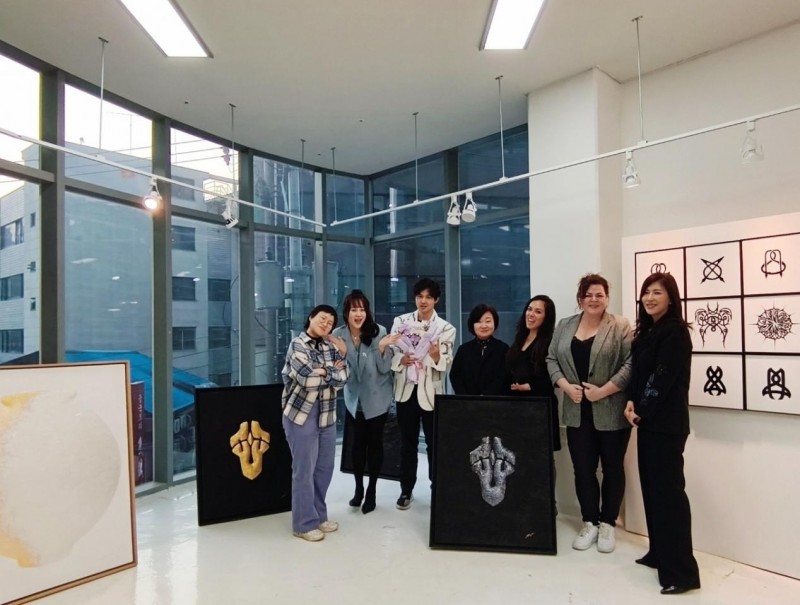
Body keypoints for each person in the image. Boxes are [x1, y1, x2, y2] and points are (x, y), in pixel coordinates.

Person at [625, 272, 701, 595]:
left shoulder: (675, 332)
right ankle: (659, 553)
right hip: (648, 423)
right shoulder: (648, 332)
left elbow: (662, 377)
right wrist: (632, 401)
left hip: (667, 425)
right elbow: (639, 375)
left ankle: (682, 573)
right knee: (652, 491)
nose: (650, 298)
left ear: (671, 298)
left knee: (669, 496)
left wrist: (641, 409)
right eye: (646, 292)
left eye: (657, 292)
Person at [546, 273, 632, 553]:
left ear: (607, 298)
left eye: (599, 295)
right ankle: (590, 521)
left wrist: (603, 391)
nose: (594, 300)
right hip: (575, 410)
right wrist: (565, 386)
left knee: (612, 468)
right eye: (588, 295)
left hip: (611, 409)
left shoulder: (620, 326)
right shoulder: (565, 325)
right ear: (580, 298)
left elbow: (631, 364)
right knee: (582, 468)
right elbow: (551, 359)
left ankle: (608, 523)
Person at [281, 304, 348, 542]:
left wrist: (322, 370)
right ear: (311, 317)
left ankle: (319, 516)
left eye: (330, 322)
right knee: (304, 471)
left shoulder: (331, 346)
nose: (326, 324)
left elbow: (343, 378)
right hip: (301, 415)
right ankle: (303, 523)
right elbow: (306, 380)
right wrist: (331, 370)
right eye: (322, 318)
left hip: (326, 415)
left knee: (323, 470)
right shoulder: (297, 344)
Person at [390, 277, 456, 510]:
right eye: (420, 296)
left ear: (436, 299)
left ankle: (437, 488)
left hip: (431, 394)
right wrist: (401, 360)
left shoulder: (446, 328)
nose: (424, 301)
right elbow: (391, 353)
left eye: (429, 297)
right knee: (406, 443)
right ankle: (406, 489)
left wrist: (436, 356)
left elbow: (446, 362)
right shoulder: (401, 322)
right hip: (406, 391)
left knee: (434, 444)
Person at [332, 290, 400, 514]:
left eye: (362, 309)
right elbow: (343, 372)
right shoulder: (338, 335)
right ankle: (358, 488)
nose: (358, 314)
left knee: (375, 445)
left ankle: (371, 491)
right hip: (354, 399)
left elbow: (384, 368)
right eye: (354, 309)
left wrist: (381, 349)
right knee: (357, 446)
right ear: (346, 312)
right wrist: (343, 354)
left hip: (378, 398)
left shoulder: (379, 331)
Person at [506, 295, 561, 452]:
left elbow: (555, 377)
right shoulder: (519, 339)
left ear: (546, 317)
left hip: (540, 407)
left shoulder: (551, 343)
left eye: (538, 311)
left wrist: (529, 386)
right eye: (529, 309)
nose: (531, 314)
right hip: (517, 406)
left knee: (540, 457)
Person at [449, 304, 509, 396]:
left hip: (495, 401)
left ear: (495, 323)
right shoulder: (463, 350)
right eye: (478, 321)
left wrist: (486, 396)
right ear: (472, 325)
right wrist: (466, 398)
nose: (483, 326)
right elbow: (455, 376)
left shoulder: (503, 348)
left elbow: (504, 377)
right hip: (467, 401)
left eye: (488, 321)